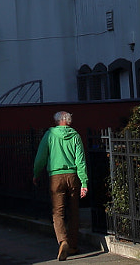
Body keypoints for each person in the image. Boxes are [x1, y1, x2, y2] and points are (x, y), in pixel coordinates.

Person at [32, 111, 88, 262]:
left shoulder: (49, 135)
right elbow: (80, 161)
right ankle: (73, 246)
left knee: (58, 211)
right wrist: (84, 182)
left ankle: (63, 241)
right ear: (69, 121)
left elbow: (41, 157)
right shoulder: (75, 136)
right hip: (73, 176)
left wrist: (36, 173)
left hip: (55, 176)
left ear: (57, 121)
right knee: (74, 212)